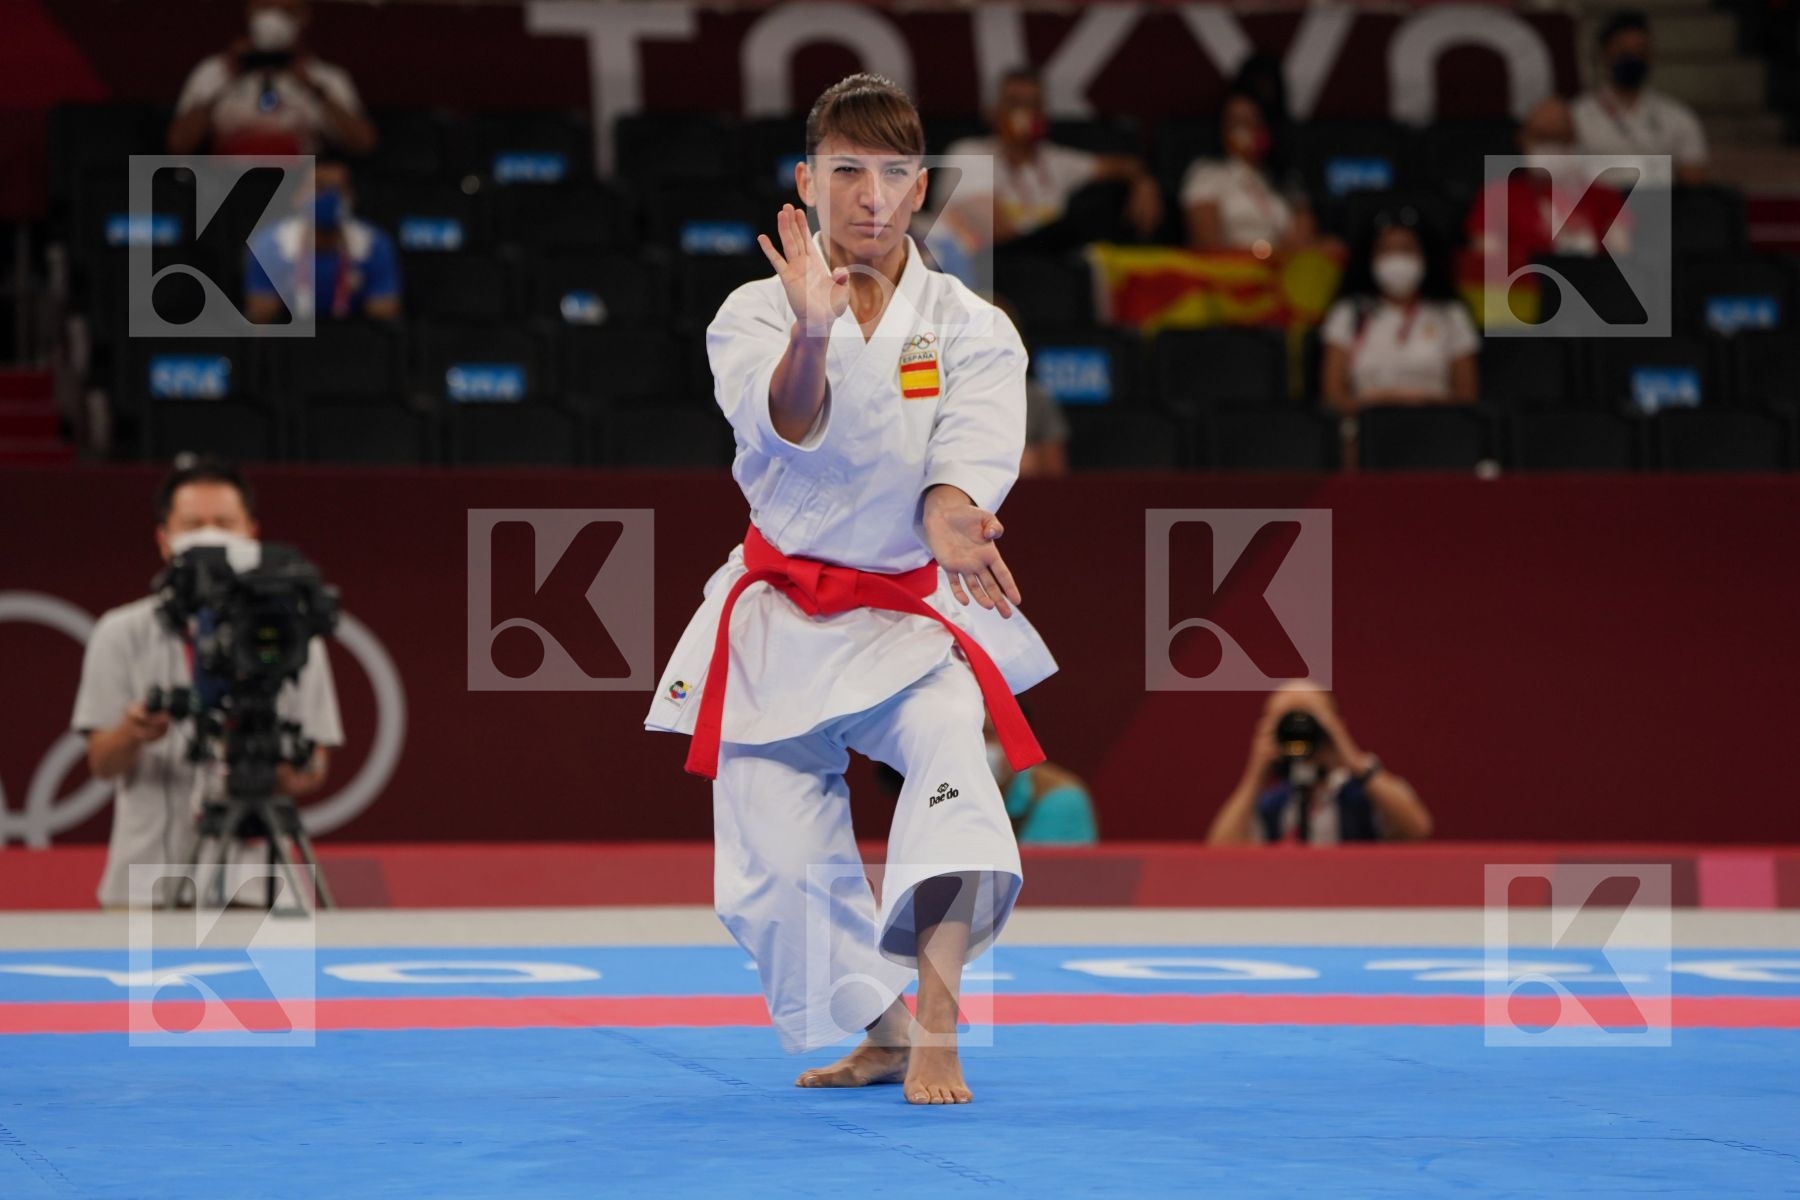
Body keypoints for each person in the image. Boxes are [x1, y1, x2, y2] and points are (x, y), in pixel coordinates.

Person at [643, 73, 1056, 1105]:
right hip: (778, 614)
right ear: (807, 180)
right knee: (773, 877)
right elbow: (788, 428)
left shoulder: (973, 328)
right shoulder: (751, 313)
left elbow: (966, 459)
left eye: (891, 174)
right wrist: (814, 330)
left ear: (920, 189)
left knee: (955, 769)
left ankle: (944, 1030)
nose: (869, 196)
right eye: (847, 171)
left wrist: (953, 514)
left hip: (910, 611)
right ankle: (886, 1029)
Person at [70, 457, 344, 908]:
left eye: (224, 522)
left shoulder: (292, 635)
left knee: (291, 980)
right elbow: (102, 762)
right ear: (164, 539)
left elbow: (313, 767)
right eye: (194, 524)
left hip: (259, 888)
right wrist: (132, 733)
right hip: (147, 884)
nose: (210, 535)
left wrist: (266, 758)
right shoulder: (119, 631)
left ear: (251, 532)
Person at [942, 67, 1162, 249]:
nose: (1025, 115)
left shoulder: (1057, 161)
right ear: (993, 111)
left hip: (1046, 275)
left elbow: (1121, 165)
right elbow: (996, 234)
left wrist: (1143, 181)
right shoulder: (968, 154)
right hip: (983, 274)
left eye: (1034, 105)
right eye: (1015, 104)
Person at [1207, 682, 1431, 846]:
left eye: (1309, 720)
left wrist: (1353, 760)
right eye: (1287, 723)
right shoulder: (1272, 805)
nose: (1299, 733)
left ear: (1336, 726)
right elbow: (1221, 852)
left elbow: (1417, 829)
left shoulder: (1366, 793)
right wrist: (1255, 775)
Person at [167, 0, 377, 158]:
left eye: (287, 11)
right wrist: (226, 79)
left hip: (298, 187)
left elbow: (364, 143)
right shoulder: (214, 71)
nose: (273, 20)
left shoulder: (327, 77)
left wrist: (314, 89)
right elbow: (179, 144)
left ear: (304, 17)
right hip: (225, 186)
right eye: (265, 8)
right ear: (249, 12)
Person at [1321, 208, 1478, 411]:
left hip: (1436, 428)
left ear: (1425, 256)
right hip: (1366, 427)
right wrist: (1380, 406)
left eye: (1406, 249)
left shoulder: (1451, 314)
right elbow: (1332, 396)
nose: (1397, 260)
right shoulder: (1348, 313)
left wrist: (1419, 405)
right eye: (1386, 250)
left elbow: (1467, 397)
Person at [1465, 97, 1632, 277]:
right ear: (1523, 142)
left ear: (1575, 143)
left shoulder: (1604, 195)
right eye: (1541, 140)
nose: (1550, 149)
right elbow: (1489, 265)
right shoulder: (1497, 196)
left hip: (1594, 290)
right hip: (1526, 291)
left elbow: (1623, 263)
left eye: (1559, 140)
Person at [244, 155, 401, 323]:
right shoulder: (270, 245)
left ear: (353, 198)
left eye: (338, 189)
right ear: (298, 196)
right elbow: (260, 320)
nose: (330, 197)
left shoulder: (374, 245)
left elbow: (384, 320)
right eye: (320, 188)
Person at [1571, 10, 1707, 185]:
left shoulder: (1677, 116)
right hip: (1600, 208)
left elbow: (1694, 177)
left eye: (1640, 50)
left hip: (1658, 208)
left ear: (1651, 56)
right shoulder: (1576, 116)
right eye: (1623, 51)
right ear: (1603, 53)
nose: (1632, 57)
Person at [1181, 89, 1318, 257]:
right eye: (1235, 122)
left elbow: (1304, 238)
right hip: (1232, 274)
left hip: (1282, 272)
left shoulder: (1287, 179)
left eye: (1251, 121)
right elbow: (1209, 246)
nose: (1244, 129)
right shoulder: (1206, 174)